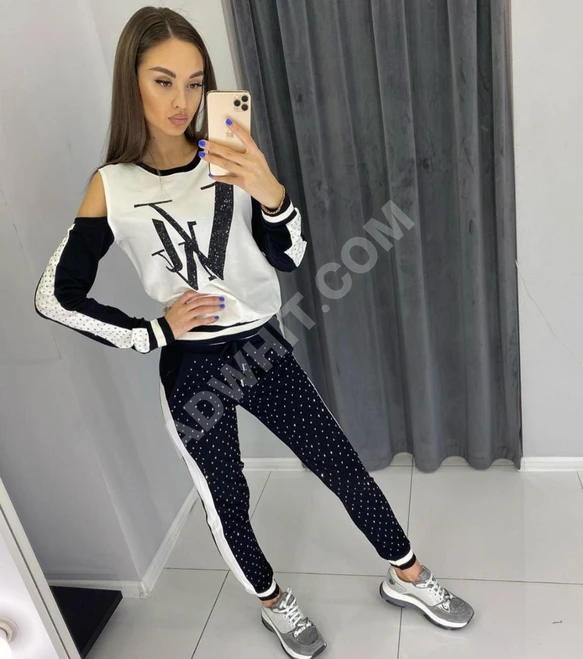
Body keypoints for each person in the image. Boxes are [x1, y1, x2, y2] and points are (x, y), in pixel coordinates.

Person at [33, 7, 474, 658]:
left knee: (339, 462)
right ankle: (273, 602)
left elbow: (289, 257)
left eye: (194, 82)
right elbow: (55, 295)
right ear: (131, 82)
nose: (182, 101)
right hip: (191, 366)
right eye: (162, 81)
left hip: (259, 346)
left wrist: (270, 192)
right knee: (228, 498)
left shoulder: (227, 155)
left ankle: (407, 574)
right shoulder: (113, 186)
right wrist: (150, 332)